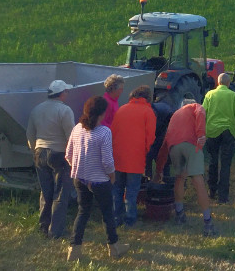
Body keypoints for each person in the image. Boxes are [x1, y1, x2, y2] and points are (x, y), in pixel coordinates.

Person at [65, 96, 129, 262]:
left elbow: (68, 155)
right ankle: (114, 247)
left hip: (80, 179)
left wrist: (79, 167)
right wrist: (112, 176)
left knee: (83, 212)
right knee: (107, 213)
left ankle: (74, 249)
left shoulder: (77, 128)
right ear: (103, 113)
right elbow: (107, 161)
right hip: (100, 181)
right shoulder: (104, 132)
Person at [154, 96, 218, 237]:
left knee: (180, 178)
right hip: (190, 144)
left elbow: (165, 142)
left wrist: (159, 170)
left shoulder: (175, 115)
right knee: (197, 179)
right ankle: (207, 223)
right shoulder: (195, 106)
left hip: (174, 147)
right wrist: (201, 134)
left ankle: (179, 214)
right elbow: (201, 112)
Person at [25, 79, 76, 239]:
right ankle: (55, 231)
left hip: (40, 152)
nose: (67, 94)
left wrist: (34, 149)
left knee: (45, 192)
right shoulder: (65, 110)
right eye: (66, 91)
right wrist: (73, 157)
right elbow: (71, 136)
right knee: (60, 193)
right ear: (61, 94)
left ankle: (43, 226)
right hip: (59, 154)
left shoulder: (36, 109)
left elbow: (30, 134)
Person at [110, 85, 157, 227]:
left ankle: (116, 218)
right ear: (147, 97)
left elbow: (113, 132)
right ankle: (130, 219)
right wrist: (145, 151)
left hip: (117, 156)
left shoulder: (121, 109)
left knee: (117, 188)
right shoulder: (148, 112)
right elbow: (151, 137)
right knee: (131, 190)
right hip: (135, 158)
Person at [202, 73, 235, 203]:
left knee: (213, 161)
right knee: (225, 164)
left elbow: (203, 112)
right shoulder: (233, 95)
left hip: (212, 131)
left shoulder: (209, 95)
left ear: (218, 83)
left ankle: (212, 190)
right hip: (228, 131)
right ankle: (223, 196)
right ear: (228, 83)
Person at [145, 99, 175, 182]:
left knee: (163, 158)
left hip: (162, 131)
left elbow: (171, 127)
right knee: (148, 155)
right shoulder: (147, 113)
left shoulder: (166, 112)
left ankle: (166, 179)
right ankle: (148, 179)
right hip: (154, 133)